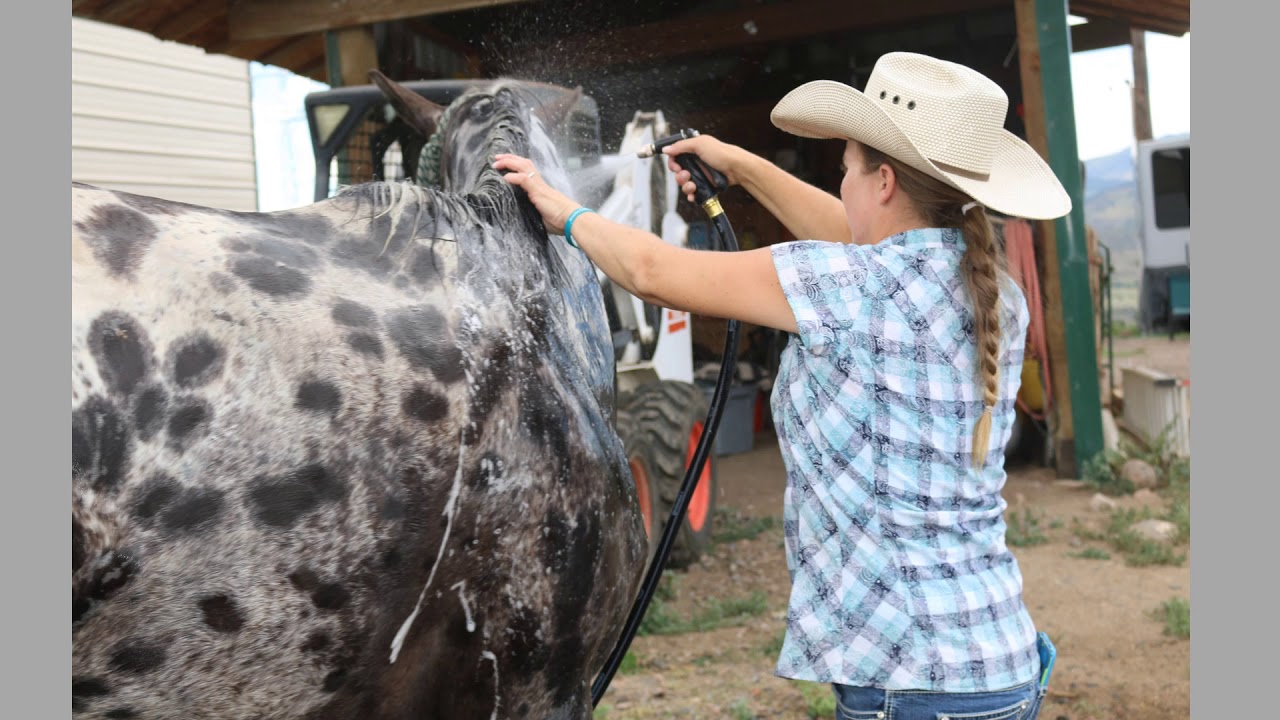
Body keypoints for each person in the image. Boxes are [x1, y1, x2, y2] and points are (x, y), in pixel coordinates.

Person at [495, 52, 1067, 720]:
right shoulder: (993, 287)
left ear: (883, 181)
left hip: (912, 680)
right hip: (996, 660)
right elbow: (860, 236)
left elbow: (651, 271)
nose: (843, 184)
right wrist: (742, 168)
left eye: (847, 167)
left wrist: (558, 206)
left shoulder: (847, 286)